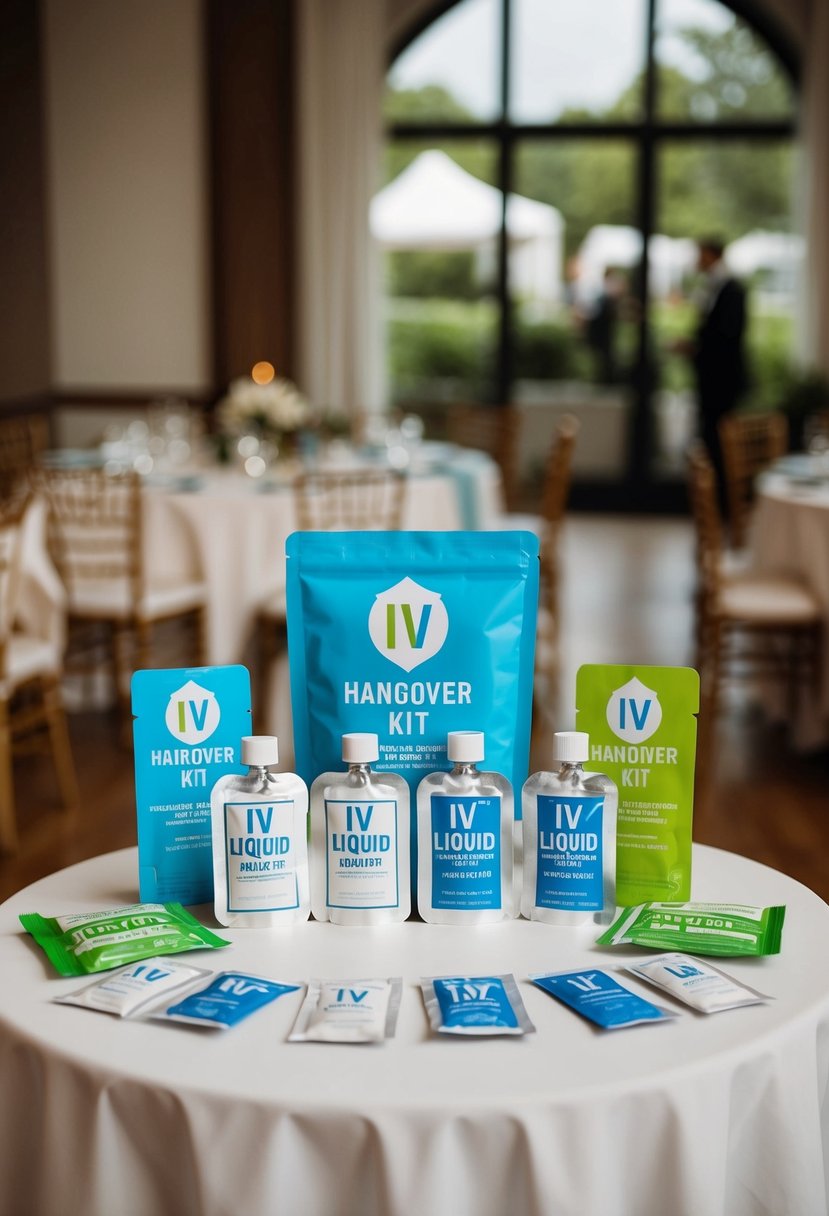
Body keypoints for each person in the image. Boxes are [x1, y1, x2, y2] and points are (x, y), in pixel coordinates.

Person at [688, 237, 749, 476]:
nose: (696, 260)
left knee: (718, 436)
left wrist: (698, 348)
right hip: (713, 377)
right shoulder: (715, 285)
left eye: (699, 254)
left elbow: (728, 335)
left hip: (722, 379)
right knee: (710, 434)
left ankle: (722, 497)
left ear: (711, 255)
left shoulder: (731, 288)